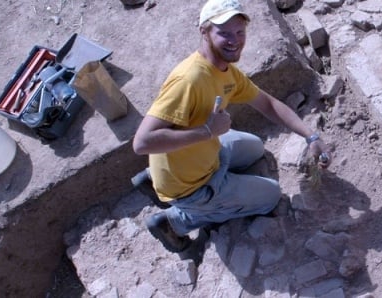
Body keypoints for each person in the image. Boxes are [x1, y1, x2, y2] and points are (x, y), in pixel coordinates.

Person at [132, 0, 331, 253]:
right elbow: (141, 143)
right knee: (271, 196)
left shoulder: (225, 71)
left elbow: (267, 104)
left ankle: (154, 179)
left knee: (256, 147)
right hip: (193, 185)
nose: (235, 40)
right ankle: (175, 221)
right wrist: (207, 131)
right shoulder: (189, 80)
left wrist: (310, 137)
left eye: (239, 32)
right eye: (223, 33)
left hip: (201, 153)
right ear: (204, 31)